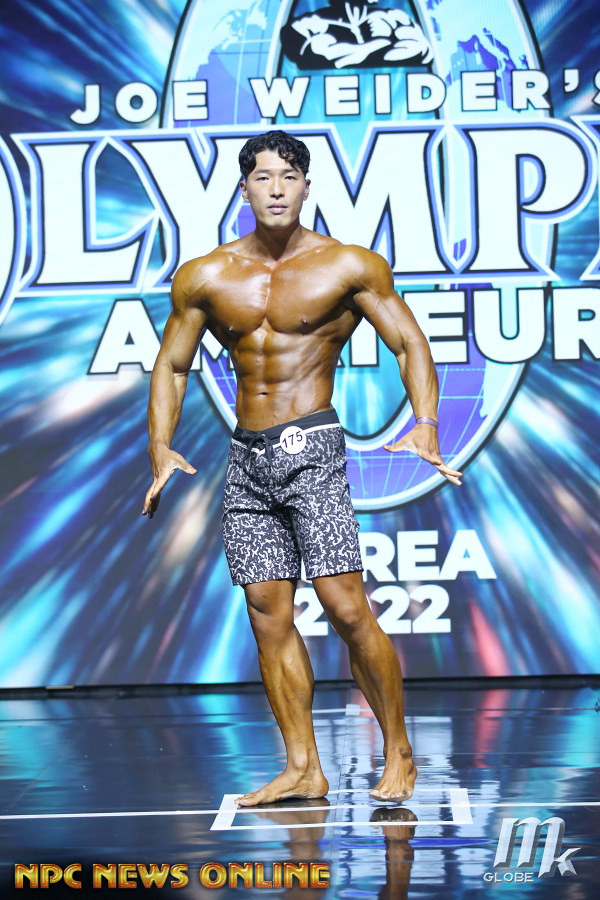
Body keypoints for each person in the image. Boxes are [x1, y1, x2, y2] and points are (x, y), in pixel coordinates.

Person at [142, 130, 462, 807]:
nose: (277, 188)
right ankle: (302, 767)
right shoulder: (206, 275)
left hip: (311, 450)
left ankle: (398, 750)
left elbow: (409, 342)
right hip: (247, 459)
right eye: (263, 177)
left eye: (289, 176)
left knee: (345, 607)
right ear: (244, 189)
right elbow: (171, 364)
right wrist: (160, 447)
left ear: (307, 186)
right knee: (267, 612)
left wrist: (425, 422)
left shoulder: (346, 265)